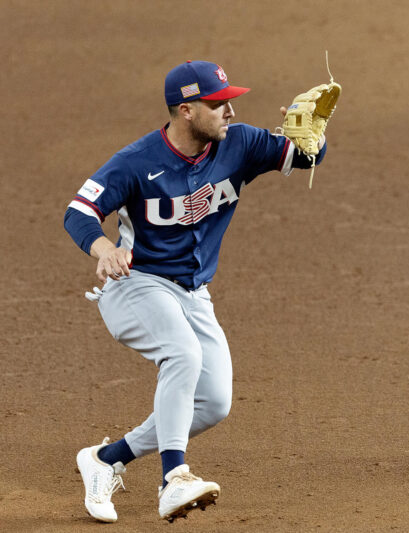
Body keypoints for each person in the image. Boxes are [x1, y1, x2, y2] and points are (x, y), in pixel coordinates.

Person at [64, 60, 327, 523]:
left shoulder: (240, 143)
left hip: (193, 293)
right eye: (218, 103)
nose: (230, 111)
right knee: (182, 354)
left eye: (230, 101)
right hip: (136, 285)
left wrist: (315, 137)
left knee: (212, 404)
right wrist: (103, 246)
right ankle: (173, 479)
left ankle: (106, 460)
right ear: (186, 110)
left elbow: (302, 155)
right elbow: (79, 210)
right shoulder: (135, 162)